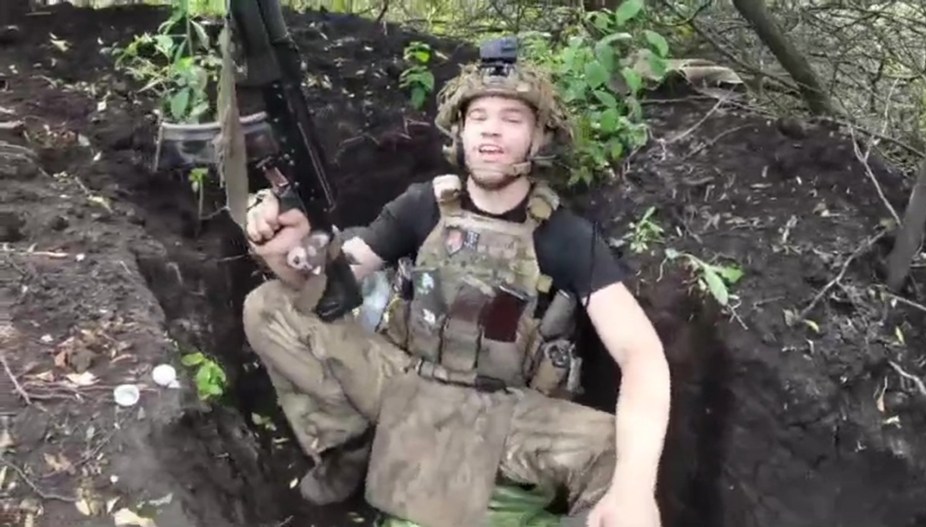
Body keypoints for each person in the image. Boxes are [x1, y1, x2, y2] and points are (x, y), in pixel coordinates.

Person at [241, 45, 671, 527]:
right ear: (460, 133)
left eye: (512, 118)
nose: (491, 129)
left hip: (505, 416)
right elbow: (325, 292)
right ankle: (352, 449)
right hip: (402, 385)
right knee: (270, 305)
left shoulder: (566, 237)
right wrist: (290, 250)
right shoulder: (421, 206)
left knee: (624, 453)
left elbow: (642, 355)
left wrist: (635, 490)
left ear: (538, 138)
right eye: (479, 116)